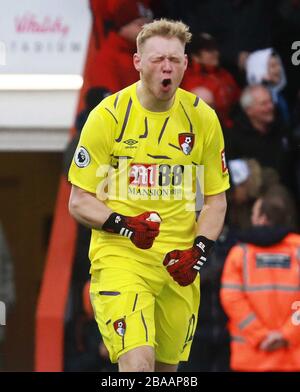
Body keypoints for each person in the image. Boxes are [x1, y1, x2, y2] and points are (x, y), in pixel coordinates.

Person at [68, 19, 229, 372]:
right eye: (157, 59)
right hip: (123, 257)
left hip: (178, 264)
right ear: (138, 62)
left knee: (166, 372)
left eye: (175, 59)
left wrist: (199, 251)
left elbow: (217, 200)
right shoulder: (108, 116)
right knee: (138, 364)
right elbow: (79, 201)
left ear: (186, 63)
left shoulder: (203, 118)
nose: (167, 67)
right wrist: (125, 225)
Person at [220, 185, 300, 371]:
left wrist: (261, 336)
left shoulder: (240, 254)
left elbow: (231, 300)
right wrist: (286, 334)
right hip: (292, 359)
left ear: (263, 218)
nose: (251, 217)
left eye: (254, 213)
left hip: (250, 359)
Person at [87, 0, 153, 92]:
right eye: (140, 25)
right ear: (123, 26)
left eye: (148, 24)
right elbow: (110, 102)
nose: (145, 30)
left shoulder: (148, 53)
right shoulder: (106, 59)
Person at [182, 33, 240, 128]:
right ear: (195, 56)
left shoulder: (224, 74)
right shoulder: (187, 78)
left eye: (215, 49)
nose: (216, 53)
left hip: (231, 128)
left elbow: (238, 99)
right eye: (209, 50)